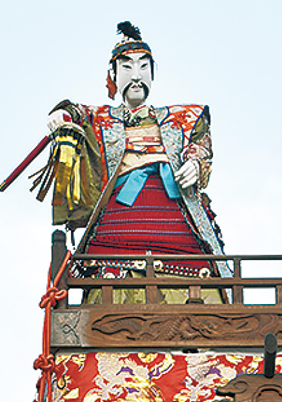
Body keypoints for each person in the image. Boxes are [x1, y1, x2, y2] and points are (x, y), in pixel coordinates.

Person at [43, 20, 226, 302]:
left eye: (144, 67)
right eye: (127, 67)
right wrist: (61, 115)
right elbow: (72, 110)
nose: (136, 75)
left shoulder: (183, 117)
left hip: (175, 210)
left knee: (199, 279)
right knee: (111, 286)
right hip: (120, 217)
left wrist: (194, 162)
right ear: (113, 75)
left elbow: (199, 144)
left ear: (153, 73)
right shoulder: (100, 117)